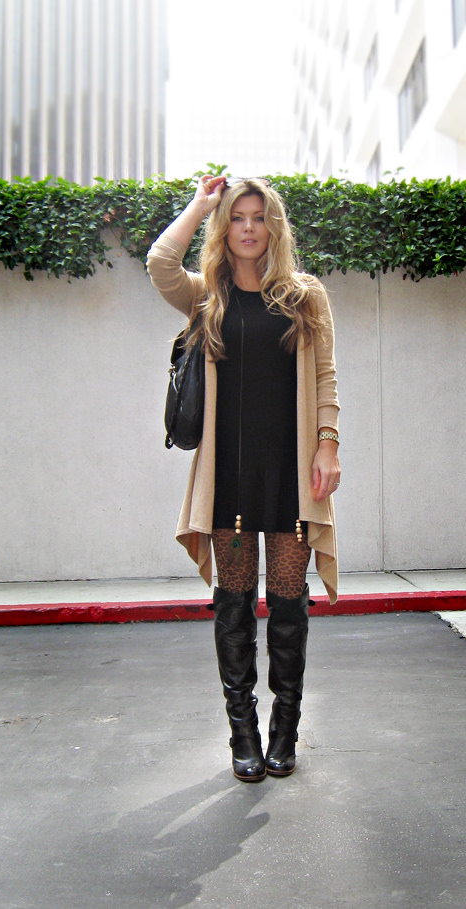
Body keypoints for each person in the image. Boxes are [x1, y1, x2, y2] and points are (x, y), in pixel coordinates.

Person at [147, 175, 340, 783]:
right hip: (227, 478)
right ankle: (243, 735)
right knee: (233, 603)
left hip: (290, 476)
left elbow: (326, 377)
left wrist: (328, 444)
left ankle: (285, 731)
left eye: (258, 217)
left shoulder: (305, 296)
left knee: (287, 601)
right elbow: (160, 262)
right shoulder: (207, 295)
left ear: (273, 226)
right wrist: (200, 204)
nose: (249, 228)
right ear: (225, 228)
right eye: (237, 218)